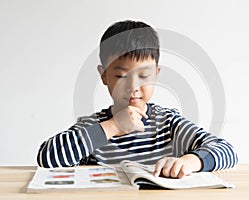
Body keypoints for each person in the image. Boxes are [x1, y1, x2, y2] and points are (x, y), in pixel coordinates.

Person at [37, 20, 238, 178]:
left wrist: (191, 161)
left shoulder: (168, 123)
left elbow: (227, 151)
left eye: (143, 76)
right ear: (104, 76)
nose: (133, 88)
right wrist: (113, 126)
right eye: (121, 76)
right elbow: (47, 158)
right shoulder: (94, 127)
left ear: (156, 74)